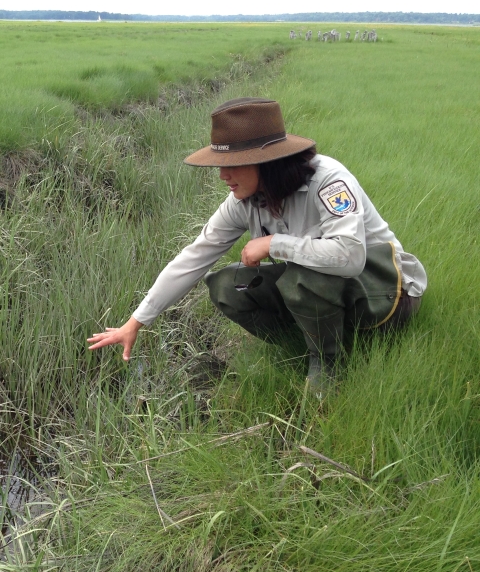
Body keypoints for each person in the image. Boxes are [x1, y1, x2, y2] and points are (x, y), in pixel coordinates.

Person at [88, 97, 427, 394]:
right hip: (333, 290)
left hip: (389, 293)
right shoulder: (243, 200)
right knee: (226, 286)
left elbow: (350, 257)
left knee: (301, 276)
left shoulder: (328, 181)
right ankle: (304, 346)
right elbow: (194, 257)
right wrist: (136, 322)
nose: (223, 176)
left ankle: (328, 364)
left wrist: (274, 243)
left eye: (230, 165)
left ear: (266, 161)